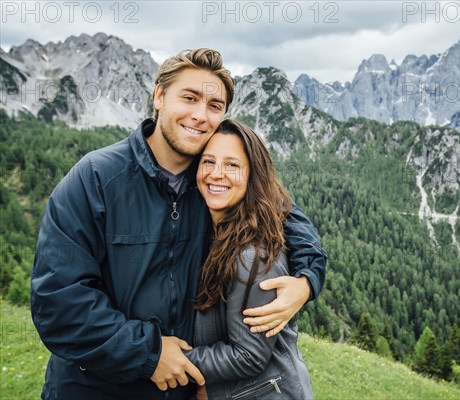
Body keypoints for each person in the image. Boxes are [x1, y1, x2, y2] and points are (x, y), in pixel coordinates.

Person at [30, 48, 326, 400]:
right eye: (189, 97)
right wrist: (149, 352)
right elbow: (58, 302)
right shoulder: (95, 178)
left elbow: (284, 216)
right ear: (159, 96)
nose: (200, 115)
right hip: (93, 389)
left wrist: (308, 280)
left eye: (214, 106)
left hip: (182, 390)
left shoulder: (214, 182)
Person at [185, 119, 312, 399]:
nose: (217, 174)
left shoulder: (253, 256)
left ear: (253, 175)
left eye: (232, 165)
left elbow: (249, 355)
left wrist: (177, 359)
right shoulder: (216, 234)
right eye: (208, 162)